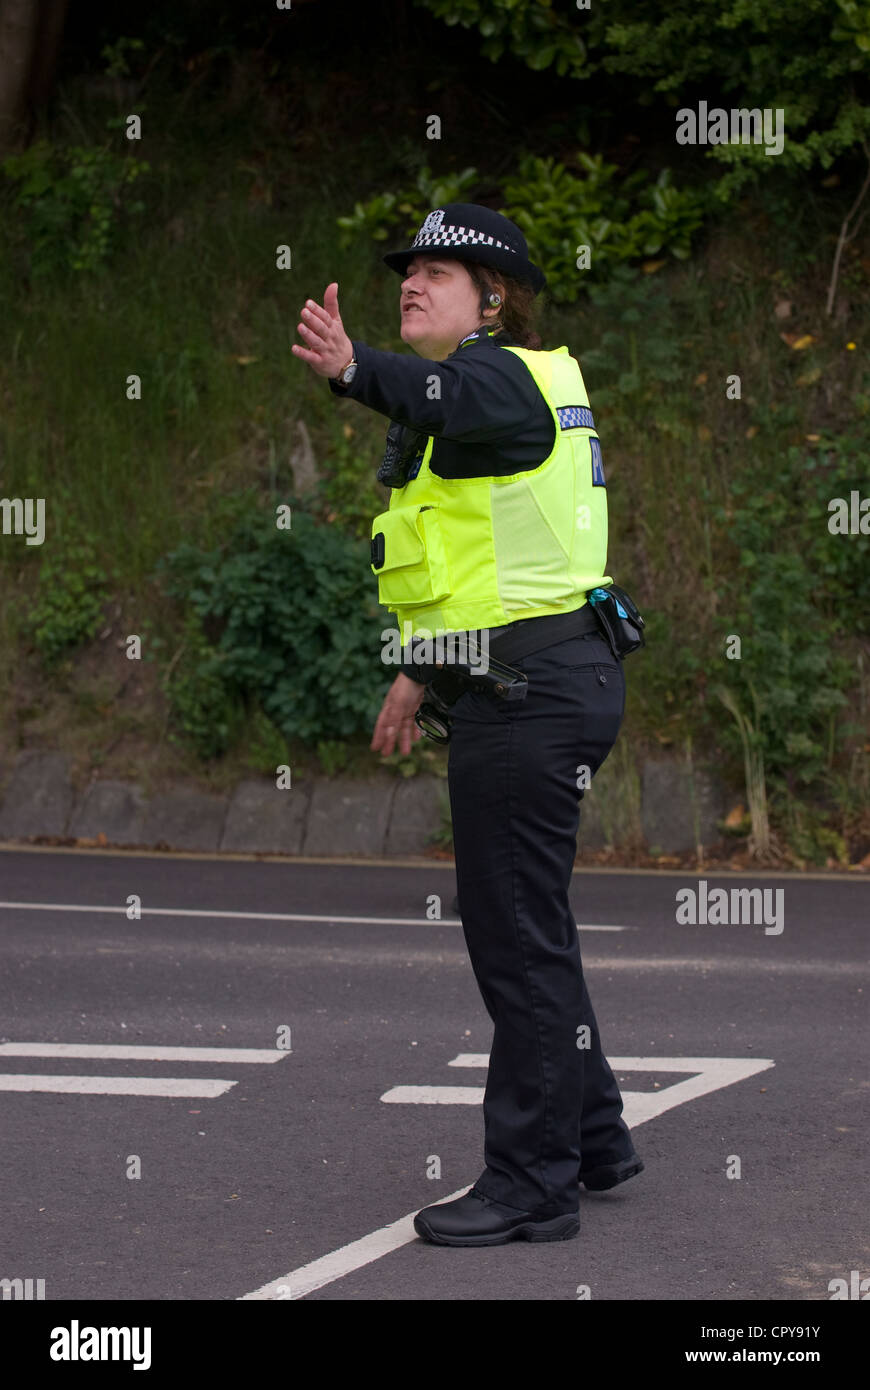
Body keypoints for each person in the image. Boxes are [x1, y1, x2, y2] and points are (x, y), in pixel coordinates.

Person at [292, 202, 643, 1247]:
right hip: (531, 676)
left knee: (515, 940)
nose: (413, 283)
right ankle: (593, 1135)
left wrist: (355, 366)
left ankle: (534, 1182)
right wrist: (418, 671)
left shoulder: (488, 377)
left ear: (491, 300)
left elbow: (430, 385)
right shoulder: (487, 402)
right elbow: (482, 577)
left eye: (439, 272)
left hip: (529, 698)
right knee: (537, 929)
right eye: (408, 269)